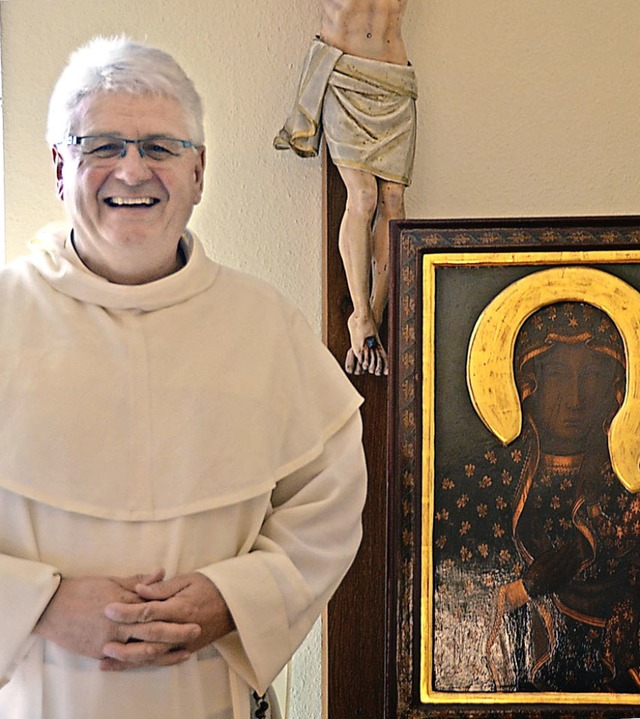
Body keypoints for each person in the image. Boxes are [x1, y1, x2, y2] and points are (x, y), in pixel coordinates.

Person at [0, 36, 367, 719]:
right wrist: (36, 603)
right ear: (59, 166)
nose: (132, 171)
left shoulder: (264, 325)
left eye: (160, 148)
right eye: (101, 145)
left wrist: (233, 598)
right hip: (36, 693)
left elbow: (330, 498)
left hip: (208, 694)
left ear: (199, 173)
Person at [433, 301, 640, 693]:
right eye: (558, 375)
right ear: (527, 383)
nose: (576, 397)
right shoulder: (481, 483)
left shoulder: (623, 490)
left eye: (592, 376)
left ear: (616, 387)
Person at [274, 0, 417, 377]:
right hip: (346, 75)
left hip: (395, 80)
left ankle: (376, 312)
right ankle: (359, 314)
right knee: (364, 196)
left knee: (394, 203)